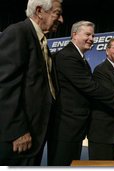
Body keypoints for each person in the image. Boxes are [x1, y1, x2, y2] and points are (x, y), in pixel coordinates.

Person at [47, 21, 114, 165]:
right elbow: (90, 87)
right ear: (74, 34)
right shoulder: (68, 56)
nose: (91, 39)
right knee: (63, 164)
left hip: (74, 126)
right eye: (87, 34)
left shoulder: (79, 58)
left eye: (93, 35)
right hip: (66, 126)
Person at [0, 0, 63, 166]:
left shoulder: (41, 41)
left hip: (36, 133)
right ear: (40, 11)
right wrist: (17, 131)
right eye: (57, 13)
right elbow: (4, 86)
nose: (61, 19)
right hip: (19, 138)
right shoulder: (18, 32)